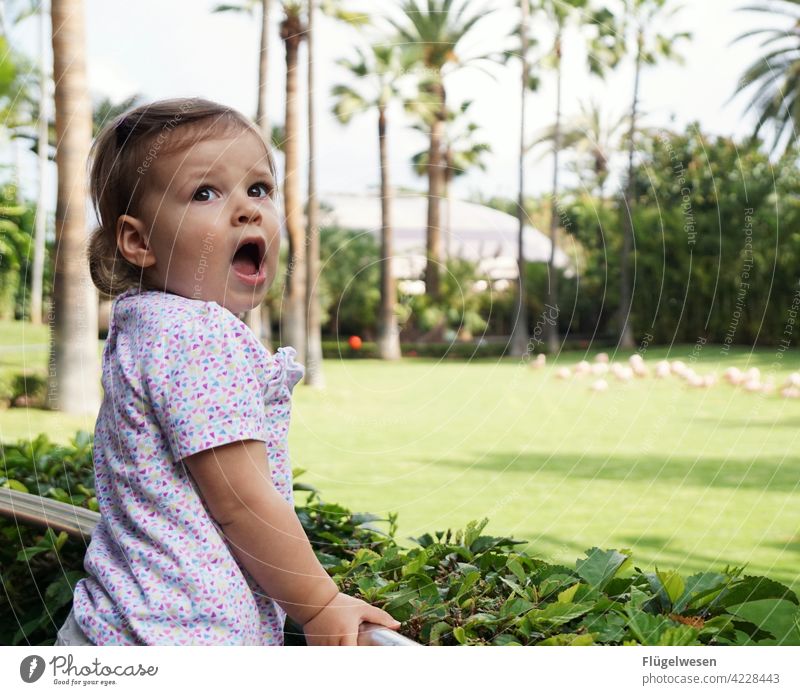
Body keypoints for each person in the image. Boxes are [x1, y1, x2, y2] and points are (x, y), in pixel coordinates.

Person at [55, 97, 400, 646]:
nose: (246, 209)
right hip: (177, 641)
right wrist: (319, 605)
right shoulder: (198, 338)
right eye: (205, 193)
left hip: (115, 629)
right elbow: (242, 503)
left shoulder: (147, 326)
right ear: (139, 241)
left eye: (259, 188)